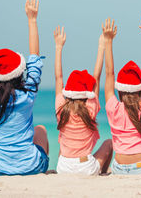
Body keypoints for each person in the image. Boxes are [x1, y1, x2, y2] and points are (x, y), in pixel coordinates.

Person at [0, 0, 49, 175]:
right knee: (40, 130)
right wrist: (32, 19)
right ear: (20, 72)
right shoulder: (28, 94)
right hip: (30, 168)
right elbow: (35, 58)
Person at [103, 16, 141, 175]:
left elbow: (109, 73)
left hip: (119, 168)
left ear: (119, 90)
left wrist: (108, 41)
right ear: (140, 89)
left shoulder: (113, 108)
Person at [54, 25, 113, 175]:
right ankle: (102, 173)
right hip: (86, 167)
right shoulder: (90, 109)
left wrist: (58, 47)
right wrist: (102, 46)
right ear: (86, 94)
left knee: (64, 142)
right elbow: (96, 77)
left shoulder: (61, 108)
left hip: (63, 167)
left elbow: (58, 77)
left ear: (68, 92)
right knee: (108, 144)